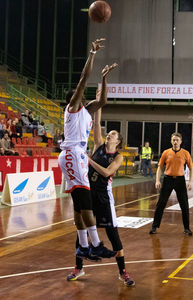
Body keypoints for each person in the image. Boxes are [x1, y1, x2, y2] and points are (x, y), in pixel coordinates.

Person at [58, 38, 118, 262]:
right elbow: (83, 79)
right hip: (73, 154)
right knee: (86, 202)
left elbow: (102, 101)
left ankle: (83, 246)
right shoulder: (73, 108)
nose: (82, 92)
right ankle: (95, 244)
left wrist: (103, 78)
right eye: (79, 92)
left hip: (76, 157)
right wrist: (92, 54)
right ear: (74, 98)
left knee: (79, 204)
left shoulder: (86, 109)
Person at [67, 106, 135, 286]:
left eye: (113, 134)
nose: (109, 135)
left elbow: (106, 173)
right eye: (109, 133)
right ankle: (78, 268)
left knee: (113, 235)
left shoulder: (118, 157)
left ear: (118, 141)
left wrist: (88, 160)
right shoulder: (98, 145)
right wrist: (100, 105)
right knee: (81, 232)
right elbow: (97, 123)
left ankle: (123, 272)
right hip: (88, 193)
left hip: (104, 197)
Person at [149, 132, 193, 235]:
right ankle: (154, 227)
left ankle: (187, 228)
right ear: (171, 141)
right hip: (168, 179)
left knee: (184, 205)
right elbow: (160, 167)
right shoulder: (166, 152)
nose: (175, 142)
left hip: (180, 181)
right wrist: (157, 180)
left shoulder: (186, 153)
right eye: (173, 140)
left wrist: (190, 182)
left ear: (181, 142)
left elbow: (191, 168)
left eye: (177, 140)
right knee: (161, 203)